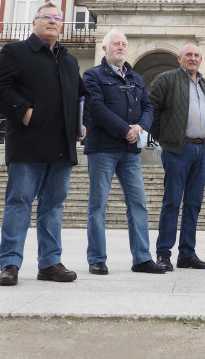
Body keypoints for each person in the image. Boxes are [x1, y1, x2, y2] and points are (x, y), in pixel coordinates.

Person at [0, 2, 85, 286]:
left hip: (61, 146)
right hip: (28, 143)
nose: (53, 21)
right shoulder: (15, 52)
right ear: (35, 22)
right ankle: (10, 263)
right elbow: (0, 90)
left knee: (53, 206)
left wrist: (82, 122)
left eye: (58, 18)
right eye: (47, 17)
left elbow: (82, 95)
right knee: (19, 203)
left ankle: (50, 263)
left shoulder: (69, 60)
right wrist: (25, 113)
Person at [83, 31, 165, 275]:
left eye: (124, 44)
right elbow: (96, 108)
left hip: (130, 151)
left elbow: (148, 107)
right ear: (104, 49)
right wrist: (124, 130)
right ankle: (97, 258)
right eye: (116, 43)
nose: (121, 47)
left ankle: (142, 258)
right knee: (98, 205)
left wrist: (139, 128)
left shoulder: (135, 77)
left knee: (138, 203)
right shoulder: (92, 75)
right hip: (102, 149)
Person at [149, 43, 205, 271]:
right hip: (178, 149)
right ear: (179, 58)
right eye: (188, 55)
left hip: (201, 149)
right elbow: (151, 109)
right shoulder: (166, 79)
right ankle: (163, 253)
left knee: (193, 204)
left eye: (197, 55)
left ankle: (187, 253)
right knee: (172, 201)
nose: (193, 58)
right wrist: (163, 137)